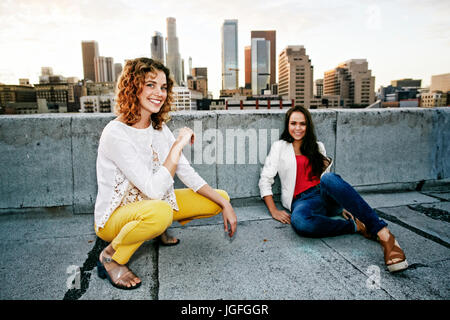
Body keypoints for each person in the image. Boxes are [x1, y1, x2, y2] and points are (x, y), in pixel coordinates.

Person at [94, 57, 237, 290]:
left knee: (218, 199)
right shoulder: (115, 133)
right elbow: (153, 190)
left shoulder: (159, 128)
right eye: (150, 84)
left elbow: (186, 173)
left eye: (163, 87)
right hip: (114, 219)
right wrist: (177, 145)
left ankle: (156, 227)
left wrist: (225, 204)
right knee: (160, 210)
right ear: (133, 87)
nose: (159, 93)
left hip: (151, 206)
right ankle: (111, 257)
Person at [258, 106, 408, 273]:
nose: (298, 128)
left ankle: (385, 235)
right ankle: (356, 227)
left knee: (329, 178)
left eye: (302, 123)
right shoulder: (280, 147)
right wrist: (273, 210)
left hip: (324, 194)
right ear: (288, 125)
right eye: (293, 123)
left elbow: (327, 180)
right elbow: (265, 179)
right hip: (302, 201)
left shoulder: (317, 146)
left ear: (308, 126)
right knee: (300, 223)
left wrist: (343, 205)